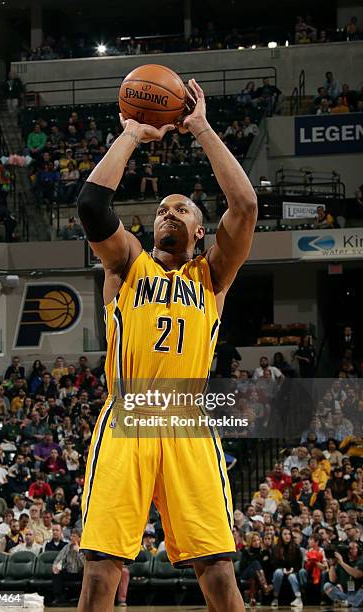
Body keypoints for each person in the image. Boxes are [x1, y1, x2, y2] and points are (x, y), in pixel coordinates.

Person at [76, 78, 257, 611]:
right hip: (129, 415)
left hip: (186, 421)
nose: (168, 213)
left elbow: (244, 203)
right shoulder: (127, 263)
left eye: (181, 209)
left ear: (201, 231)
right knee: (100, 574)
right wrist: (130, 134)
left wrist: (200, 126)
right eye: (161, 209)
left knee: (220, 574)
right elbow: (92, 204)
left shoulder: (213, 277)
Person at [270, 528, 304, 608]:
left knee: (292, 576)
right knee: (278, 572)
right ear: (281, 536)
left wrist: (292, 569)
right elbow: (273, 563)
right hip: (280, 570)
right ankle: (275, 597)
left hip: (293, 571)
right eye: (285, 534)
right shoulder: (276, 548)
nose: (287, 536)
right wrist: (282, 569)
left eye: (289, 534)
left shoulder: (296, 548)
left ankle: (298, 598)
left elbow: (299, 564)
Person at [51, 530, 84, 604]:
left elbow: (85, 564)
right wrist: (55, 567)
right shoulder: (67, 547)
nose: (71, 538)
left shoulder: (83, 548)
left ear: (79, 538)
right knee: (56, 574)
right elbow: (58, 559)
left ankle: (81, 599)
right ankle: (58, 598)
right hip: (69, 572)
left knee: (86, 575)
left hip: (80, 573)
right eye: (71, 536)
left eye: (74, 536)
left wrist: (78, 552)